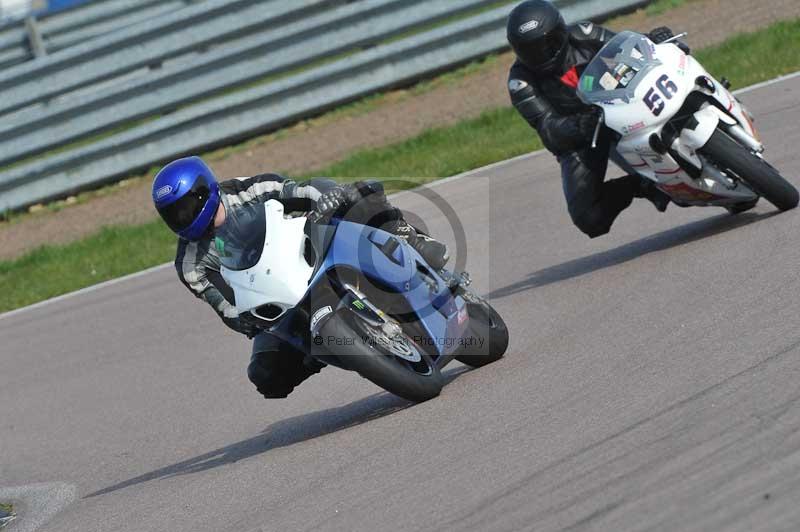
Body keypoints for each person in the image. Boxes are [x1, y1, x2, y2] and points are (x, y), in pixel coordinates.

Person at [151, 156, 448, 398]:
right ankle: (322, 351)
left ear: (204, 190)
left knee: (357, 194)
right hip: (278, 299)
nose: (183, 218)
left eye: (186, 207)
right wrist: (243, 319)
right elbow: (224, 305)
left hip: (311, 248)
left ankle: (408, 237)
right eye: (173, 214)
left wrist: (328, 198)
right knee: (266, 376)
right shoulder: (190, 264)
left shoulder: (251, 189)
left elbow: (301, 192)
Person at [506, 0, 690, 238]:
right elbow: (548, 130)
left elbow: (629, 49)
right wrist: (581, 125)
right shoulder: (520, 82)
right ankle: (642, 184)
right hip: (581, 135)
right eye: (531, 51)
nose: (543, 54)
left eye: (549, 44)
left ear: (561, 32)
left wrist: (653, 39)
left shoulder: (584, 34)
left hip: (622, 102)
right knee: (588, 218)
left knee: (675, 82)